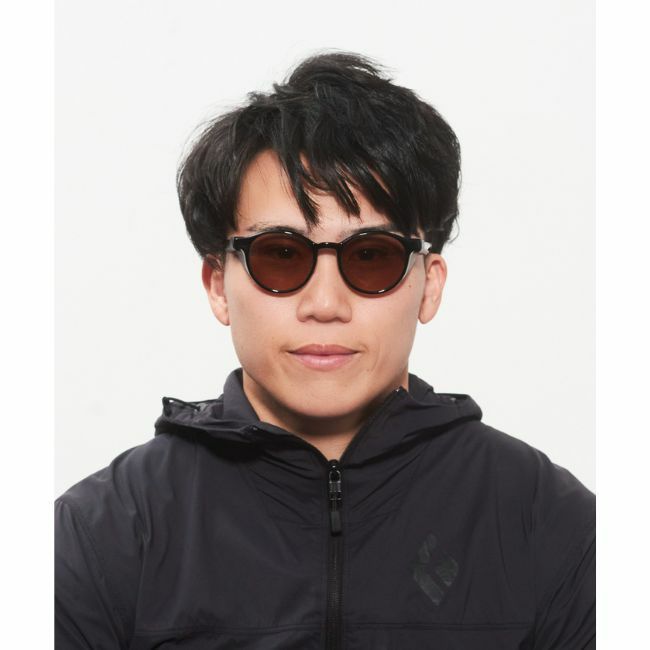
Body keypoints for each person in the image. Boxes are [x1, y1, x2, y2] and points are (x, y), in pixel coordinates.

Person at [55, 52, 595, 649]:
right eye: (281, 255)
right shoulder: (101, 536)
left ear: (429, 285)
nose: (325, 303)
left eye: (372, 257)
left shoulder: (550, 524)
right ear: (218, 286)